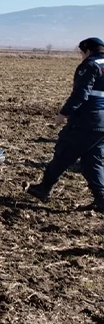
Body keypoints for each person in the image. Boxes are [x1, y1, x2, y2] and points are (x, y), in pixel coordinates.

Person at [26, 37, 104, 212]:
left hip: (87, 120)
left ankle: (44, 188)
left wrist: (64, 113)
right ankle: (101, 199)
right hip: (102, 124)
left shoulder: (90, 65)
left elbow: (81, 94)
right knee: (92, 159)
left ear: (88, 51)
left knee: (63, 154)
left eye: (81, 53)